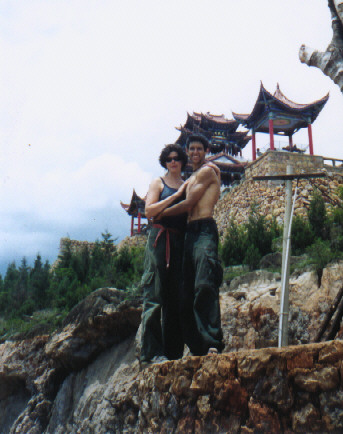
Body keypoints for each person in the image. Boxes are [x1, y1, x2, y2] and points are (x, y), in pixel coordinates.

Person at [157, 134, 224, 356]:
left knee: (205, 284)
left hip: (204, 230)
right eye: (191, 149)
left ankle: (211, 342)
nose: (195, 152)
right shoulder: (191, 177)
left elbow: (188, 203)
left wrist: (158, 213)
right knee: (184, 293)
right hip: (189, 234)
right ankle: (196, 346)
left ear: (206, 150)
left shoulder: (207, 171)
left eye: (199, 148)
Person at [140, 143, 188, 368]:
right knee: (154, 294)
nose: (173, 161)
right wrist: (176, 195)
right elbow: (149, 211)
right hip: (159, 239)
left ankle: (173, 353)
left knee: (175, 299)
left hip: (179, 241)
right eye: (169, 158)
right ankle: (150, 353)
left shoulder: (188, 183)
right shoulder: (158, 182)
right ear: (164, 161)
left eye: (177, 157)